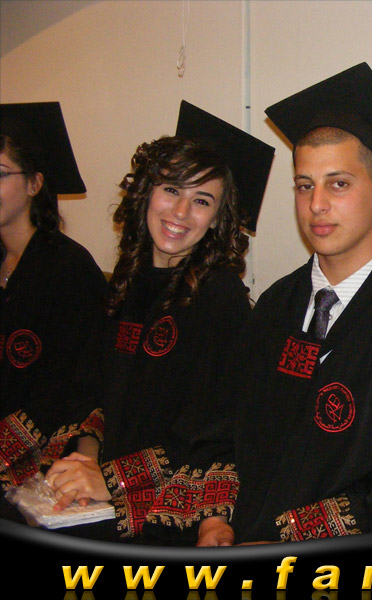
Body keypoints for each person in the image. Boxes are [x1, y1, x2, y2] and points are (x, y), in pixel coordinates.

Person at [197, 63, 372, 546]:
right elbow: (226, 429)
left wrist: (286, 542)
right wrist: (215, 520)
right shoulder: (273, 306)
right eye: (304, 185)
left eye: (338, 184)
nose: (316, 204)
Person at [42, 101, 275, 543]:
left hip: (167, 511)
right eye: (171, 190)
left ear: (217, 219)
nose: (180, 212)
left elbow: (212, 431)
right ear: (147, 192)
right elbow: (91, 389)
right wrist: (86, 460)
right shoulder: (126, 282)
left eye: (201, 201)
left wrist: (112, 481)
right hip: (100, 495)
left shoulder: (220, 297)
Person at [0, 102, 106, 492]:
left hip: (42, 467)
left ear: (34, 184)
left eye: (0, 173)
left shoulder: (69, 270)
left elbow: (68, 389)